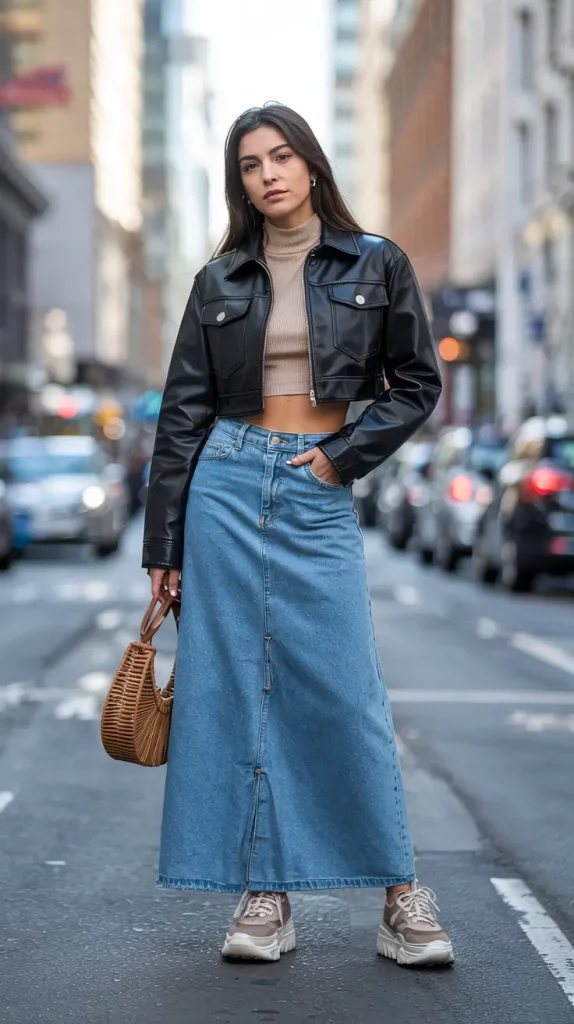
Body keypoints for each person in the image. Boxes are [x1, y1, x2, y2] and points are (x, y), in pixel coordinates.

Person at [143, 103, 454, 968]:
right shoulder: (219, 281)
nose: (269, 173)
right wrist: (163, 552)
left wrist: (339, 460)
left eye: (282, 157)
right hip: (226, 481)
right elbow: (181, 419)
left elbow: (415, 383)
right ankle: (265, 893)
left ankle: (401, 895)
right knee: (234, 691)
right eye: (251, 164)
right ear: (240, 182)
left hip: (317, 482)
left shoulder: (376, 262)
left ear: (312, 166)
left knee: (344, 687)